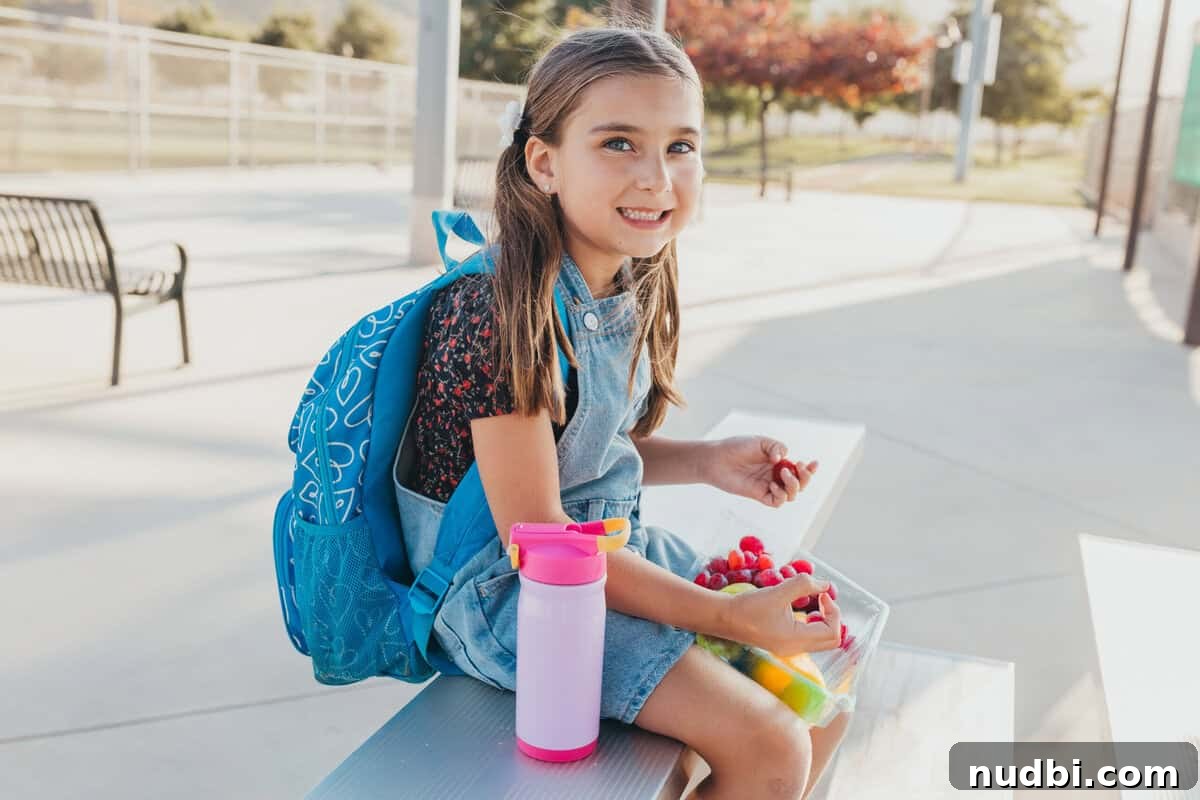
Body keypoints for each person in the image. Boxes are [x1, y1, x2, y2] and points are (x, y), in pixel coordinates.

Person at [393, 24, 850, 800]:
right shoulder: (495, 311)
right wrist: (732, 619)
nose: (657, 177)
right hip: (515, 596)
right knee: (771, 743)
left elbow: (587, 450)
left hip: (606, 550)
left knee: (822, 706)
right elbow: (541, 543)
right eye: (618, 144)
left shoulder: (621, 280)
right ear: (544, 162)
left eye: (681, 146)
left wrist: (707, 460)